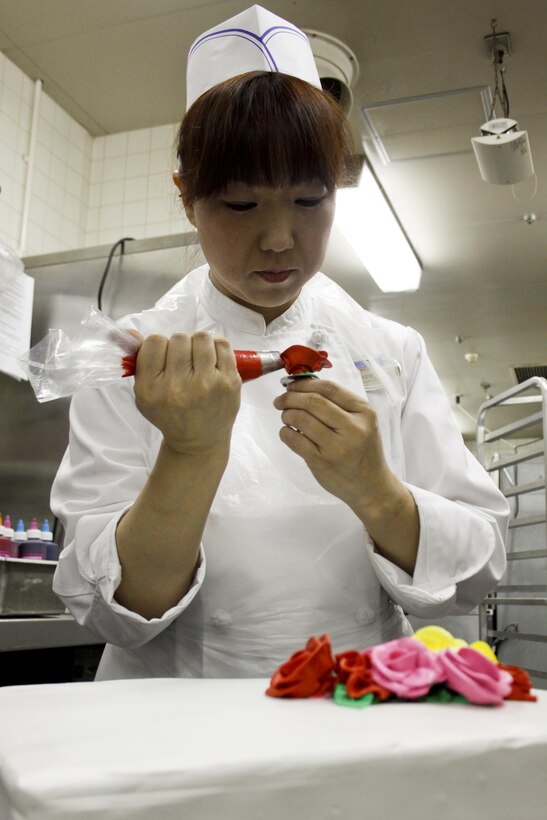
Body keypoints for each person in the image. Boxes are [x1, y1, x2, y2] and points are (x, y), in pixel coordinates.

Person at [51, 6, 509, 680]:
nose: (277, 239)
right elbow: (109, 610)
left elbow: (478, 570)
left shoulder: (391, 351)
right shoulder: (137, 356)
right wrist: (188, 452)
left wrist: (376, 490)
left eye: (308, 201)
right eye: (240, 206)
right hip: (175, 725)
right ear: (187, 199)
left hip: (346, 715)